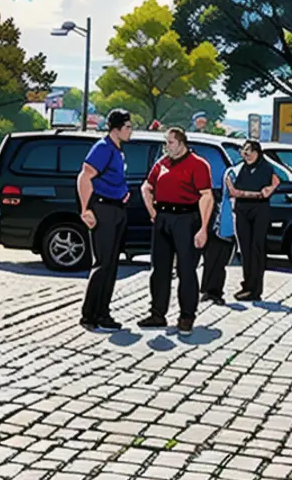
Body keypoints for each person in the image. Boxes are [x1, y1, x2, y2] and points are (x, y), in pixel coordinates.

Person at [140, 127, 214, 335]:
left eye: (170, 143)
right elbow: (147, 186)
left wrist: (203, 228)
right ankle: (157, 313)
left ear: (182, 143)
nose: (167, 147)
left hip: (186, 218)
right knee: (159, 268)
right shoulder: (162, 163)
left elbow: (206, 196)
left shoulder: (198, 164)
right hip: (163, 217)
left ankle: (187, 316)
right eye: (166, 143)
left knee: (186, 269)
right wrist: (152, 211)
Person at [79, 108, 133, 332]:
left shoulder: (117, 150)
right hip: (103, 208)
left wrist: (123, 192)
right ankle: (89, 315)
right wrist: (85, 210)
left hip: (117, 208)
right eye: (128, 127)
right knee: (102, 263)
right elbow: (85, 176)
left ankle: (103, 312)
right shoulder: (102, 148)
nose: (131, 131)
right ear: (117, 128)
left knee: (111, 264)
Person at [228, 140, 279, 302]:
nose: (247, 154)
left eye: (250, 151)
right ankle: (247, 285)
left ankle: (255, 288)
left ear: (258, 152)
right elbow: (233, 190)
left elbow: (275, 183)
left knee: (257, 248)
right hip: (242, 210)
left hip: (260, 210)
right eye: (245, 151)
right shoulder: (239, 168)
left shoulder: (266, 167)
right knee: (245, 248)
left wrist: (270, 189)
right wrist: (252, 194)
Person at [199, 169, 236, 305]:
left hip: (228, 229)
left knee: (221, 262)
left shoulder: (233, 173)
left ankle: (215, 291)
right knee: (210, 259)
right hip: (215, 227)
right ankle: (207, 291)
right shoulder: (215, 194)